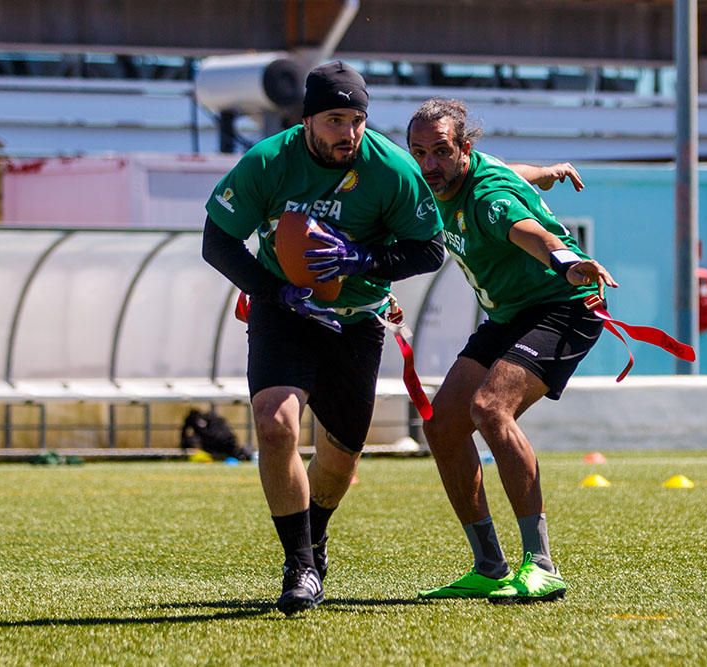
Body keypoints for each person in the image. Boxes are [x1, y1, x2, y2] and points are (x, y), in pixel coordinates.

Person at [202, 62, 444, 615]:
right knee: (275, 421)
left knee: (340, 460)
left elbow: (428, 249)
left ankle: (315, 538)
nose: (349, 133)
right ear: (307, 119)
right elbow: (218, 241)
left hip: (357, 319)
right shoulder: (268, 161)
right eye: (336, 120)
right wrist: (274, 292)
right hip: (284, 312)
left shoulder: (392, 168)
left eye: (357, 120)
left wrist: (365, 258)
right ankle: (299, 565)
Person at [405, 98, 618, 603]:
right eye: (419, 152)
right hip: (508, 313)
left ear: (464, 148)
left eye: (440, 151)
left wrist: (567, 261)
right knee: (441, 425)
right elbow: (514, 170)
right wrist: (545, 173)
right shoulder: (444, 178)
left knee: (489, 408)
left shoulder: (487, 197)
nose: (428, 164)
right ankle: (489, 566)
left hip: (565, 303)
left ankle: (541, 565)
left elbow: (531, 232)